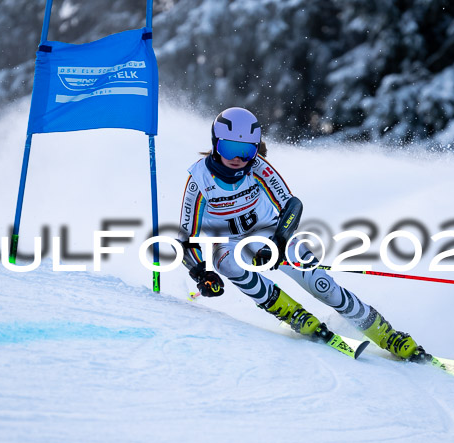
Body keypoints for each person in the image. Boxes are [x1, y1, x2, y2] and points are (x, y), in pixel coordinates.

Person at [177, 107, 422, 360]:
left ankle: (387, 335)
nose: (238, 158)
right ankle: (291, 313)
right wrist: (202, 273)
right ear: (216, 144)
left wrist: (279, 243)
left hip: (270, 232)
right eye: (229, 148)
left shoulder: (259, 168)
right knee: (227, 263)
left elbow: (292, 206)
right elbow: (186, 239)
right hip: (228, 243)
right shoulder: (200, 180)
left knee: (323, 286)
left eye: (247, 150)